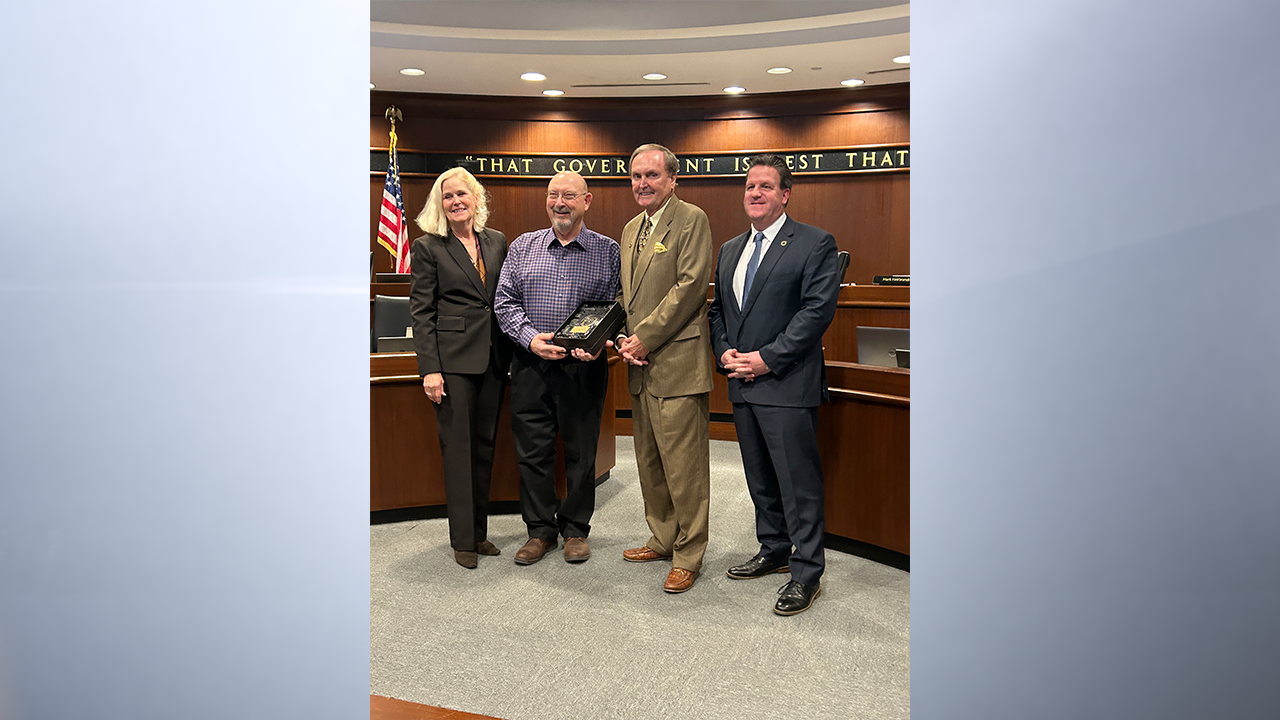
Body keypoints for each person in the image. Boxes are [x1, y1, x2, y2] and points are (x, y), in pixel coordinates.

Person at [707, 154, 842, 615]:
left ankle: (807, 573)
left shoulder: (814, 243)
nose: (755, 193)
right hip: (741, 383)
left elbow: (815, 313)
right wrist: (723, 350)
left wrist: (767, 358)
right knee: (760, 478)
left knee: (797, 483)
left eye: (765, 186)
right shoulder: (729, 249)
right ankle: (774, 548)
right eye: (749, 186)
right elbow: (718, 310)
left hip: (785, 384)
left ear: (784, 194)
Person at [494, 171, 620, 566]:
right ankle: (540, 530)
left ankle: (576, 530)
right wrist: (531, 338)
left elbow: (614, 307)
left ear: (587, 201)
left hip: (582, 368)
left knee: (582, 451)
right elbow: (504, 302)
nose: (559, 203)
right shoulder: (522, 246)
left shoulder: (608, 250)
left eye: (568, 195)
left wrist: (595, 344)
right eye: (553, 195)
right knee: (533, 451)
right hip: (531, 364)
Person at [614, 143, 715, 594]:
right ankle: (662, 536)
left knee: (684, 466)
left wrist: (645, 337)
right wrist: (616, 337)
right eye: (636, 176)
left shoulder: (691, 219)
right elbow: (628, 298)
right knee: (649, 460)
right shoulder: (631, 228)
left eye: (652, 175)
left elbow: (690, 287)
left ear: (673, 179)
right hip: (640, 365)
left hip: (676, 362)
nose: (643, 184)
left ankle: (689, 554)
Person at [408, 167, 513, 570]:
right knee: (458, 451)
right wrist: (429, 370)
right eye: (448, 196)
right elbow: (422, 312)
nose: (456, 202)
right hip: (451, 363)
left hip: (492, 359)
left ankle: (480, 533)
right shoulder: (429, 246)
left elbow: (500, 298)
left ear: (475, 198)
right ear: (440, 203)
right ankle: (462, 540)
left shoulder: (496, 241)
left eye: (462, 194)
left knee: (484, 448)